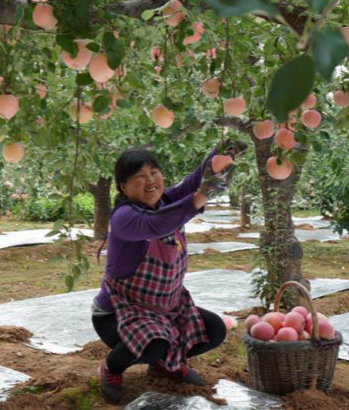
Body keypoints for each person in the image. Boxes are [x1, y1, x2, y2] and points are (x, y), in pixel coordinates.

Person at [92, 140, 246, 403]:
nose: (149, 180)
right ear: (124, 187)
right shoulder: (123, 217)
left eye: (154, 172)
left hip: (167, 308)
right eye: (139, 176)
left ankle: (164, 365)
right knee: (154, 344)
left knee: (214, 329)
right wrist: (202, 195)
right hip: (119, 313)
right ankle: (112, 368)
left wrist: (221, 152)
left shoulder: (165, 201)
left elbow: (193, 181)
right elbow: (156, 224)